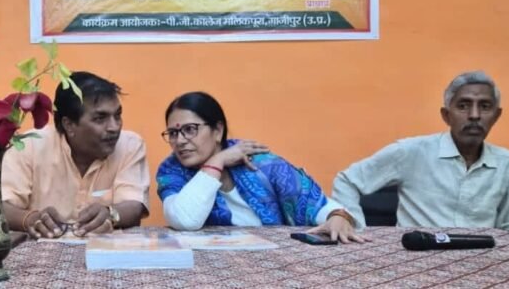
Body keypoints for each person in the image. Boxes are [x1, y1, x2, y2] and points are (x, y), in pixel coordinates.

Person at [156, 91, 365, 243]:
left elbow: (322, 207)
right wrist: (216, 163)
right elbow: (185, 220)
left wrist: (338, 217)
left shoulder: (261, 163)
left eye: (190, 129)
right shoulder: (171, 172)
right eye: (173, 133)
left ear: (218, 130)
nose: (179, 141)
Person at [332, 71, 509, 231]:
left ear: (496, 116)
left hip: (480, 259)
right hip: (416, 256)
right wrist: (355, 227)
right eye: (463, 106)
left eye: (485, 106)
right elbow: (347, 180)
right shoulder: (411, 152)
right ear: (446, 115)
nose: (474, 115)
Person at [2, 71, 149, 239]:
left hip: (105, 251)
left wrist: (110, 214)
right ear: (69, 125)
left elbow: (134, 206)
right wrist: (30, 219)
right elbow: (2, 207)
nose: (114, 127)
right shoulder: (28, 146)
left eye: (117, 115)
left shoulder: (130, 145)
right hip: (40, 250)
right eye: (100, 118)